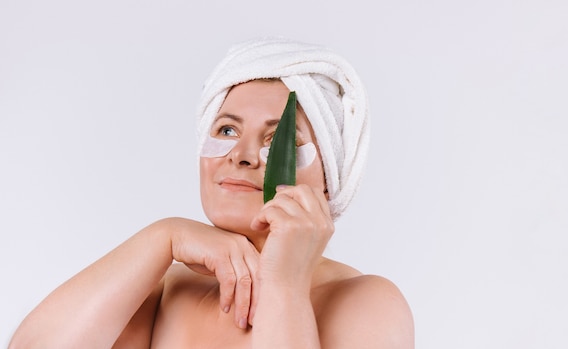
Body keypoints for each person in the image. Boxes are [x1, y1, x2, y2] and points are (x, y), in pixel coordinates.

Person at [9, 37, 415, 348]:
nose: (242, 155)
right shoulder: (165, 287)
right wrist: (163, 236)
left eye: (279, 141)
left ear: (331, 176)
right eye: (227, 130)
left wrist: (284, 285)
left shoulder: (367, 302)